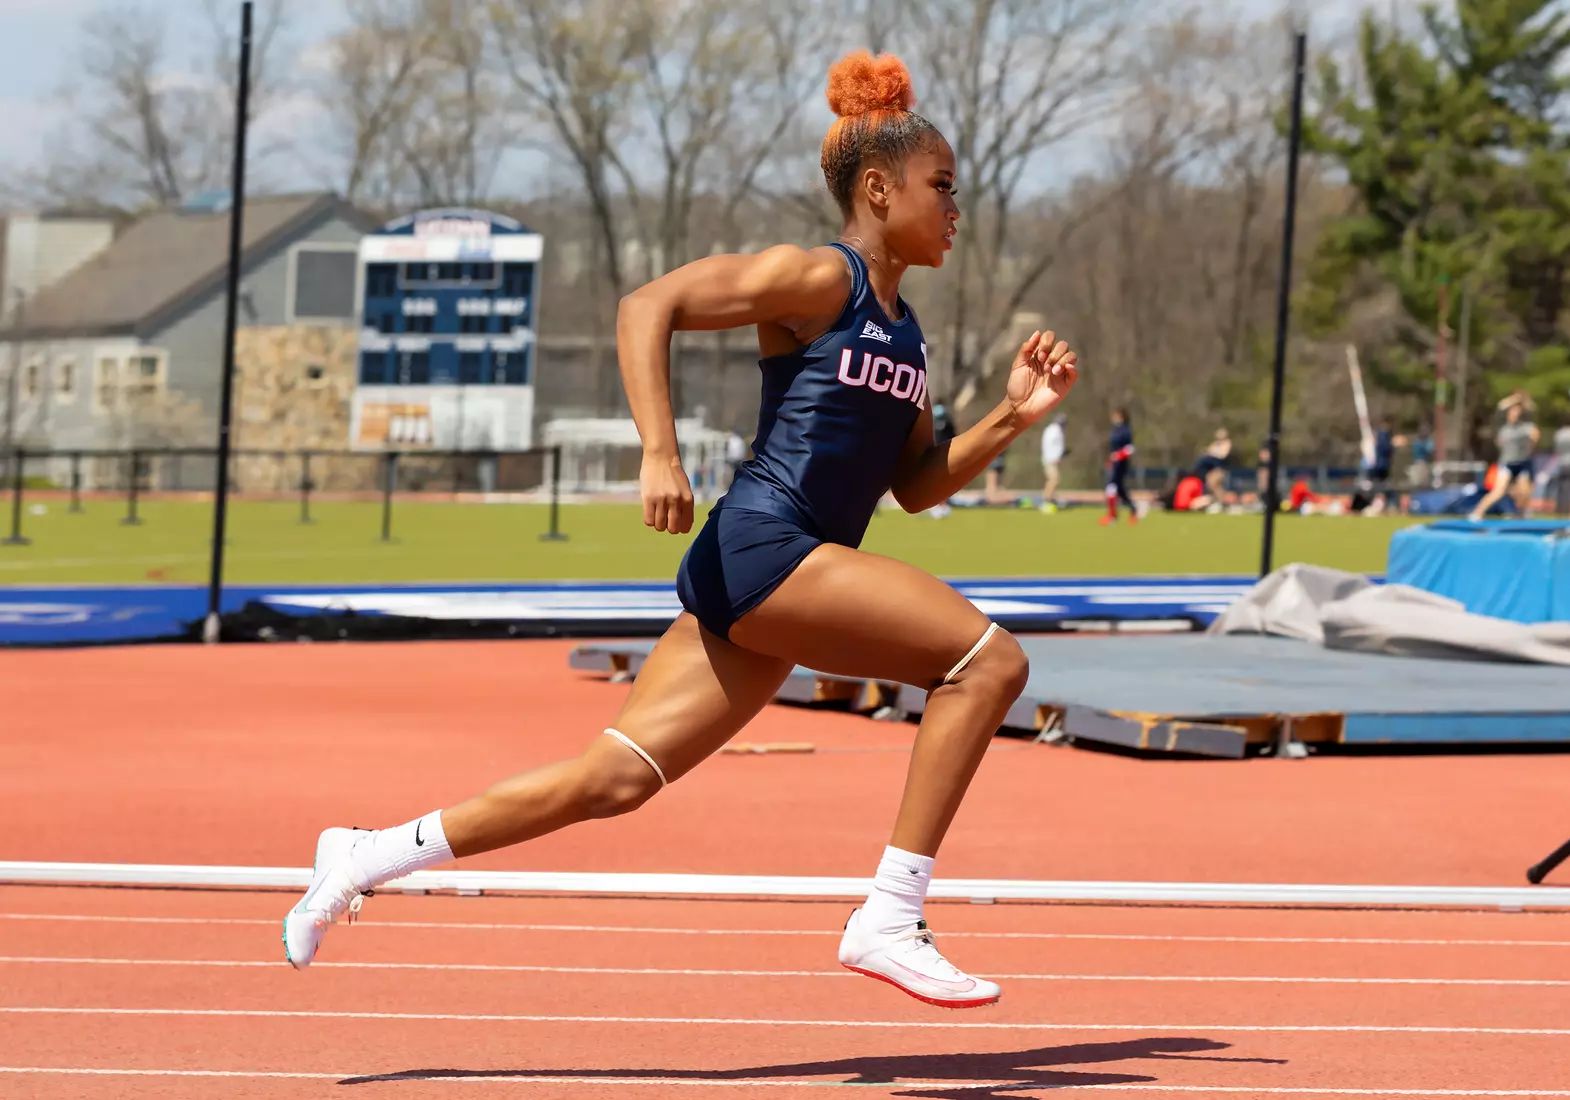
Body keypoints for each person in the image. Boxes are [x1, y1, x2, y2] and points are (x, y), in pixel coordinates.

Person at [280, 50, 1078, 1011]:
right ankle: (892, 915)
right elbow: (646, 305)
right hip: (767, 547)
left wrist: (1011, 419)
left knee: (613, 780)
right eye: (941, 187)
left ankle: (366, 855)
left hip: (774, 571)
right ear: (878, 186)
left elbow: (912, 486)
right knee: (986, 665)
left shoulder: (904, 331)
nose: (957, 209)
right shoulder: (819, 277)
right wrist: (658, 450)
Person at [1472, 399, 1539, 521]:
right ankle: (1477, 513)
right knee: (1498, 491)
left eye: (1517, 412)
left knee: (1524, 492)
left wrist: (1523, 402)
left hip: (1522, 463)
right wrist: (1515, 397)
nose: (1515, 414)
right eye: (1512, 412)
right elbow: (1500, 407)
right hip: (1507, 463)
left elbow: (1532, 413)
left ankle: (1522, 514)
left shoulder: (1525, 427)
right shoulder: (1503, 426)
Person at [1100, 406, 1138, 525]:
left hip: (1121, 464)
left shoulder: (1126, 430)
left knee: (1111, 488)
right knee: (1120, 490)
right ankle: (1133, 510)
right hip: (1114, 463)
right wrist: (1110, 459)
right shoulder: (1115, 429)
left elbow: (1130, 448)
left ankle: (1112, 516)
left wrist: (1118, 456)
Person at [1039, 413, 1067, 514]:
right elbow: (1052, 445)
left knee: (1051, 480)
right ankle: (1047, 501)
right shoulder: (1055, 431)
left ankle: (1049, 499)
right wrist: (1055, 456)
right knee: (1054, 480)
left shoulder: (1052, 429)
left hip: (1050, 458)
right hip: (1050, 459)